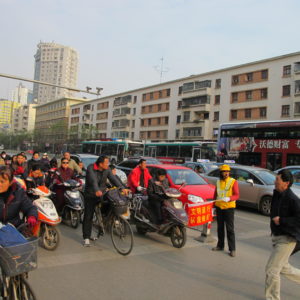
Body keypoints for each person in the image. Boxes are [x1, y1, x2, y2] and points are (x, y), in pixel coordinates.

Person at [265, 169, 300, 300]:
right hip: (277, 237)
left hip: (287, 239)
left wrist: (282, 220)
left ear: (286, 183)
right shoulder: (277, 194)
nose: (275, 181)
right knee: (284, 268)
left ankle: (273, 298)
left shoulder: (293, 199)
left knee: (272, 270)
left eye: (277, 179)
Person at [82, 155, 129, 247]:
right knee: (88, 216)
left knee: (112, 202)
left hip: (102, 193)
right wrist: (96, 190)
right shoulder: (91, 168)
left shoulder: (107, 169)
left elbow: (114, 179)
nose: (108, 165)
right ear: (100, 164)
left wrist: (123, 188)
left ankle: (106, 220)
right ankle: (86, 237)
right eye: (106, 163)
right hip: (91, 194)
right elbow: (93, 181)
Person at [212, 164, 239, 257]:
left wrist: (229, 198)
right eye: (224, 171)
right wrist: (213, 206)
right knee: (220, 228)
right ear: (221, 173)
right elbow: (215, 195)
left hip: (229, 208)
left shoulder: (233, 182)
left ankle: (232, 249)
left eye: (227, 171)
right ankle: (220, 245)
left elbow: (237, 195)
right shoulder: (218, 182)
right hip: (219, 207)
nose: (226, 173)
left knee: (230, 229)